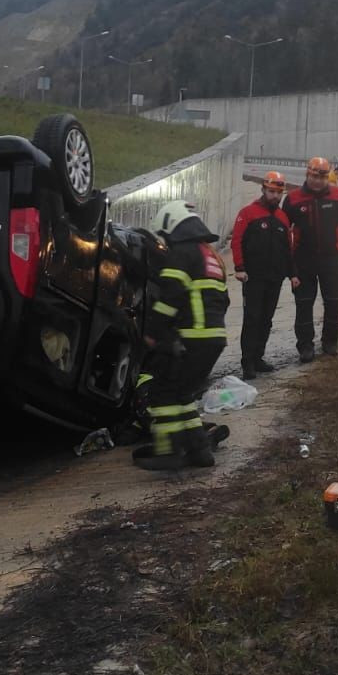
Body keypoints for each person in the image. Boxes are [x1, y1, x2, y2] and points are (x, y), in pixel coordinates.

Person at [132, 199, 230, 471]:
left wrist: (152, 333)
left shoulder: (182, 254)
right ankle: (200, 452)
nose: (164, 242)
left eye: (164, 236)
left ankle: (168, 452)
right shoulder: (211, 255)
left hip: (192, 337)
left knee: (163, 394)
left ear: (171, 225)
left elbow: (169, 299)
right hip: (214, 338)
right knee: (183, 394)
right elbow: (224, 299)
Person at [284, 156, 338, 362]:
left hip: (331, 259)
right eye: (313, 176)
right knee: (303, 304)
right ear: (307, 174)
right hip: (303, 260)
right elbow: (283, 230)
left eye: (321, 177)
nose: (317, 181)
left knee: (334, 302)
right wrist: (286, 262)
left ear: (327, 176)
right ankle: (305, 346)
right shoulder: (293, 199)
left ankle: (330, 343)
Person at [230, 171, 299, 380]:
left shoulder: (282, 218)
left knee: (266, 319)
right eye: (271, 192)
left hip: (274, 278)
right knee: (252, 318)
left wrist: (292, 274)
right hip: (253, 277)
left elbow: (288, 248)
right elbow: (237, 241)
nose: (275, 196)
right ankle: (247, 362)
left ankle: (258, 357)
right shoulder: (248, 213)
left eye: (279, 193)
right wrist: (240, 268)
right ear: (263, 190)